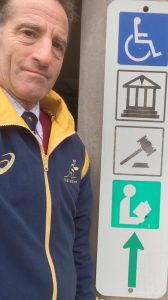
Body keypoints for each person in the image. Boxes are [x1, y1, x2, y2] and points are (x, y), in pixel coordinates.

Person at [0, 0, 95, 299]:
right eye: (29, 33)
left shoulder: (73, 148)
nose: (45, 55)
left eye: (58, 45)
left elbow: (78, 251)